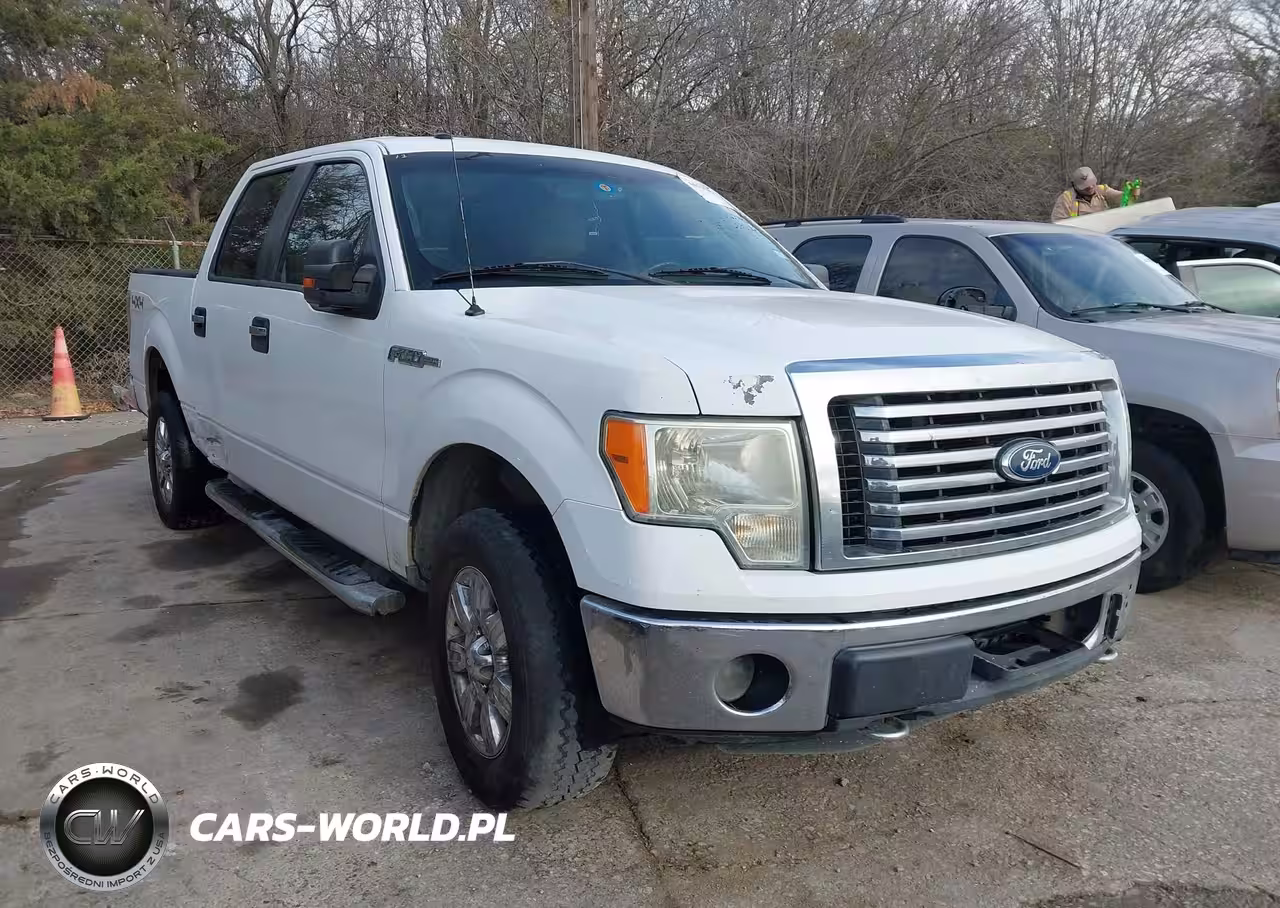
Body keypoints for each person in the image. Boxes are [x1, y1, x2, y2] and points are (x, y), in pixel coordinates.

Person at [1050, 166, 1137, 221]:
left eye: (1092, 183)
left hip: (1101, 235)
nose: (1091, 187)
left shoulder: (1102, 190)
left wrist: (1130, 193)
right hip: (1077, 238)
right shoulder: (1067, 198)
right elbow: (1058, 222)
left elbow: (1121, 198)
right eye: (1086, 186)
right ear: (1075, 186)